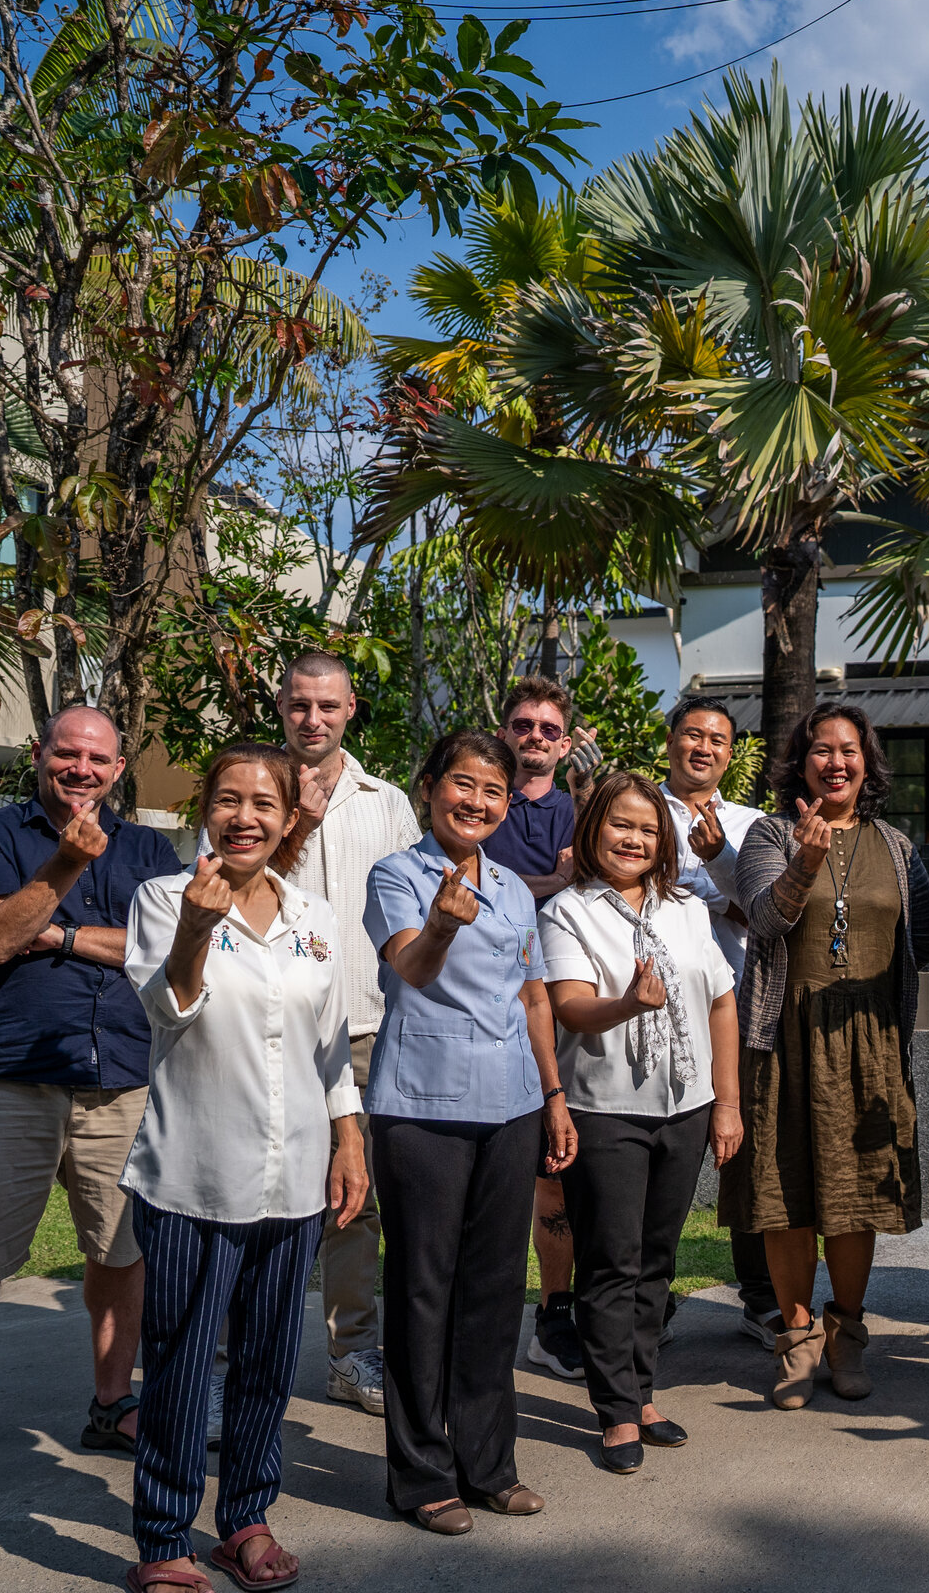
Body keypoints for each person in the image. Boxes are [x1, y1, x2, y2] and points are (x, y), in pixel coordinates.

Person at [0, 707, 183, 1515]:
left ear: (119, 768)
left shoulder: (152, 850)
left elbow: (154, 948)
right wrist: (59, 871)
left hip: (121, 1078)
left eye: (98, 758)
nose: (82, 769)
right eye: (68, 754)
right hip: (5, 1080)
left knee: (123, 1255)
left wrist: (53, 936)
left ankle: (112, 1402)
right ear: (39, 756)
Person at [120, 743, 369, 1593]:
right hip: (195, 1176)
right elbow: (167, 1009)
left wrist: (349, 1139)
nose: (246, 817)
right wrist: (197, 925)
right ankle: (162, 1537)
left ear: (289, 818)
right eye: (229, 799)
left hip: (293, 1175)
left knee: (269, 1361)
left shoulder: (313, 914)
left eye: (264, 803)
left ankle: (245, 1520)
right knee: (185, 1362)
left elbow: (330, 1046)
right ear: (206, 808)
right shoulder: (163, 898)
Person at [365, 729, 578, 1535]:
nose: (479, 802)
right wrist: (444, 925)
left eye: (493, 791)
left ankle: (489, 1465)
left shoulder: (519, 891)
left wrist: (553, 1094)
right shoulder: (397, 875)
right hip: (422, 1107)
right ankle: (421, 1478)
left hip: (514, 1105)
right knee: (424, 1290)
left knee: (495, 1289)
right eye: (463, 785)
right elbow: (410, 969)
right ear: (428, 788)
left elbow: (533, 999)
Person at [724, 703, 929, 1409]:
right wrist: (805, 863)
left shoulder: (898, 846)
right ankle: (795, 1337)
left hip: (870, 1046)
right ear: (802, 760)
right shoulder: (770, 834)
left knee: (853, 1203)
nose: (837, 762)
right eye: (822, 749)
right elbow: (763, 917)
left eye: (850, 750)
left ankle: (846, 1334)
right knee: (785, 1197)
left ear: (867, 763)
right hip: (784, 1041)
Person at [542, 771, 744, 1473]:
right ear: (594, 828)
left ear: (664, 841)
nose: (633, 838)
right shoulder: (567, 911)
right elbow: (568, 1005)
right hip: (605, 1113)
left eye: (647, 828)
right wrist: (628, 1004)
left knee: (658, 1260)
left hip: (685, 1110)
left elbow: (722, 1001)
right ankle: (616, 1411)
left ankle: (642, 1388)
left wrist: (727, 1103)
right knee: (611, 1263)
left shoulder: (686, 907)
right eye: (620, 824)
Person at [274, 653, 421, 1422]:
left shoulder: (387, 802)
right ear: (281, 704)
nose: (313, 719)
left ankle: (352, 1350)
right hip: (277, 1031)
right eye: (301, 704)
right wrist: (293, 812)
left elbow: (411, 906)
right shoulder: (252, 788)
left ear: (351, 708)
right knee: (265, 1196)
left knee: (360, 1201)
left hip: (371, 1026)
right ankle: (236, 1355)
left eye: (328, 706)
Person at [487, 676, 599, 1386]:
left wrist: (552, 879)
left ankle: (597, 1306)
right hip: (502, 1019)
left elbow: (606, 877)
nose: (534, 736)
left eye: (548, 728)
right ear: (505, 732)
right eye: (522, 724)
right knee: (545, 1182)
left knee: (594, 1174)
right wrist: (555, 882)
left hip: (585, 1014)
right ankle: (550, 1317)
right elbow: (471, 886)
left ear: (563, 741)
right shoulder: (481, 804)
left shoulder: (583, 809)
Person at [655, 692, 776, 1346]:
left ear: (732, 753)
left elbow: (766, 909)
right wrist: (720, 890)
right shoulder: (638, 808)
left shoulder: (754, 824)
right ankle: (652, 1301)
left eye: (718, 739)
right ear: (671, 740)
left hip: (738, 1010)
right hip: (653, 1009)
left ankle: (759, 1300)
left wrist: (712, 875)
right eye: (693, 734)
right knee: (658, 1165)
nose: (704, 747)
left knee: (746, 1161)